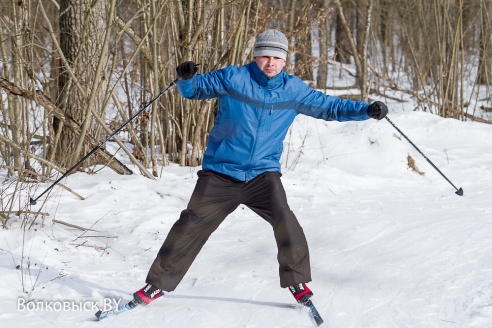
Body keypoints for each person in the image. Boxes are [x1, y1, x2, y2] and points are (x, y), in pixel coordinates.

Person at [133, 29, 388, 307]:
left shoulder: (294, 90)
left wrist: (366, 110)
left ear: (285, 61)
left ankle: (297, 281)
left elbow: (331, 107)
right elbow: (195, 89)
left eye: (277, 57)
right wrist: (186, 77)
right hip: (220, 172)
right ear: (255, 57)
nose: (270, 62)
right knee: (190, 225)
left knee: (285, 221)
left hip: (262, 176)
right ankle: (155, 285)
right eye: (265, 56)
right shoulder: (233, 78)